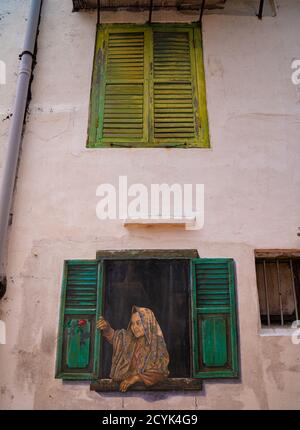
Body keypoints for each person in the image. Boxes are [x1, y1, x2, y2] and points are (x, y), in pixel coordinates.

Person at [97, 306, 169, 392]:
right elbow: (115, 337)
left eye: (138, 323)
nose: (134, 327)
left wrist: (136, 378)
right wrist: (107, 328)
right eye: (132, 323)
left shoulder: (157, 345)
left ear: (148, 323)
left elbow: (161, 372)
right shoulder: (129, 339)